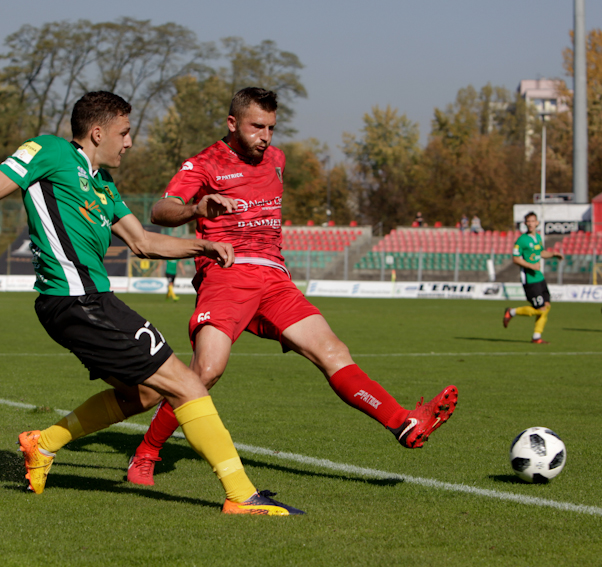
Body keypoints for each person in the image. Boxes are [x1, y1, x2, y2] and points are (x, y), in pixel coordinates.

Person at [0, 91, 302, 516]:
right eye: (124, 133)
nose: (129, 143)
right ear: (98, 133)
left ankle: (43, 444)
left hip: (85, 303)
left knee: (145, 393)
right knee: (187, 385)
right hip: (77, 300)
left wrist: (204, 244)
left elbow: (143, 242)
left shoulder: (104, 185)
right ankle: (241, 495)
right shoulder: (49, 151)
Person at [125, 87, 458, 486]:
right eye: (256, 127)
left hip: (275, 278)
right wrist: (197, 208)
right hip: (227, 274)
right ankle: (146, 453)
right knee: (207, 370)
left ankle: (403, 422)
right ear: (232, 123)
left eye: (271, 128)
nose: (265, 137)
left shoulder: (277, 159)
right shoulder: (204, 163)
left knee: (333, 351)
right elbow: (160, 211)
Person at [502, 212, 563, 344]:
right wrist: (531, 265)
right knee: (540, 309)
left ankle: (536, 337)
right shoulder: (521, 240)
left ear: (537, 223)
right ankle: (511, 312)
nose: (530, 223)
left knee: (546, 307)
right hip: (530, 280)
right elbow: (515, 259)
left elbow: (541, 252)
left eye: (532, 221)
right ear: (525, 223)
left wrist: (553, 254)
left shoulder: (538, 237)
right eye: (528, 221)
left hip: (539, 278)